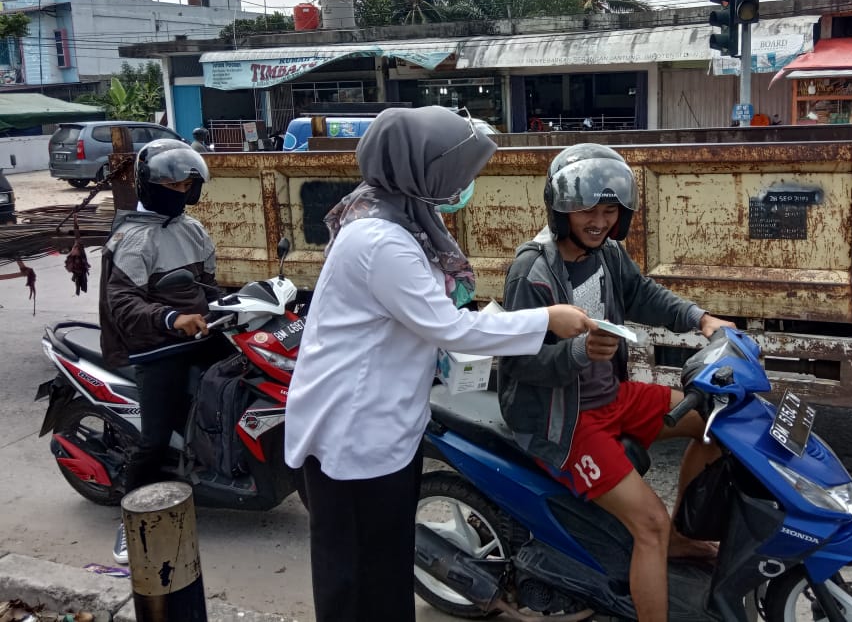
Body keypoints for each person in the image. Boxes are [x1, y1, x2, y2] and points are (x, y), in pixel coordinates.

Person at [283, 106, 595, 622]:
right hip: (355, 430)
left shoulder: (395, 218)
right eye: (458, 172)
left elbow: (432, 315)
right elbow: (447, 327)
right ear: (421, 168)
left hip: (383, 422)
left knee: (383, 567)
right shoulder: (380, 239)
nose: (464, 184)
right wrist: (545, 319)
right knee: (356, 576)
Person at [498, 142, 736, 622]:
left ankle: (682, 536)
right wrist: (576, 353)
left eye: (609, 210)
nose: (598, 220)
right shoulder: (535, 270)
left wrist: (701, 318)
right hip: (567, 419)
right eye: (587, 208)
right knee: (648, 526)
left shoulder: (607, 254)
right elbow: (516, 364)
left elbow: (641, 293)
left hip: (614, 396)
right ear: (561, 207)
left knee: (716, 423)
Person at [99, 139, 219, 564]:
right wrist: (171, 319)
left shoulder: (192, 229)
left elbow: (207, 286)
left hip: (197, 335)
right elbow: (123, 305)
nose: (181, 190)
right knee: (152, 440)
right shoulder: (133, 239)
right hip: (154, 346)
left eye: (187, 183)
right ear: (150, 185)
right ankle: (132, 522)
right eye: (172, 183)